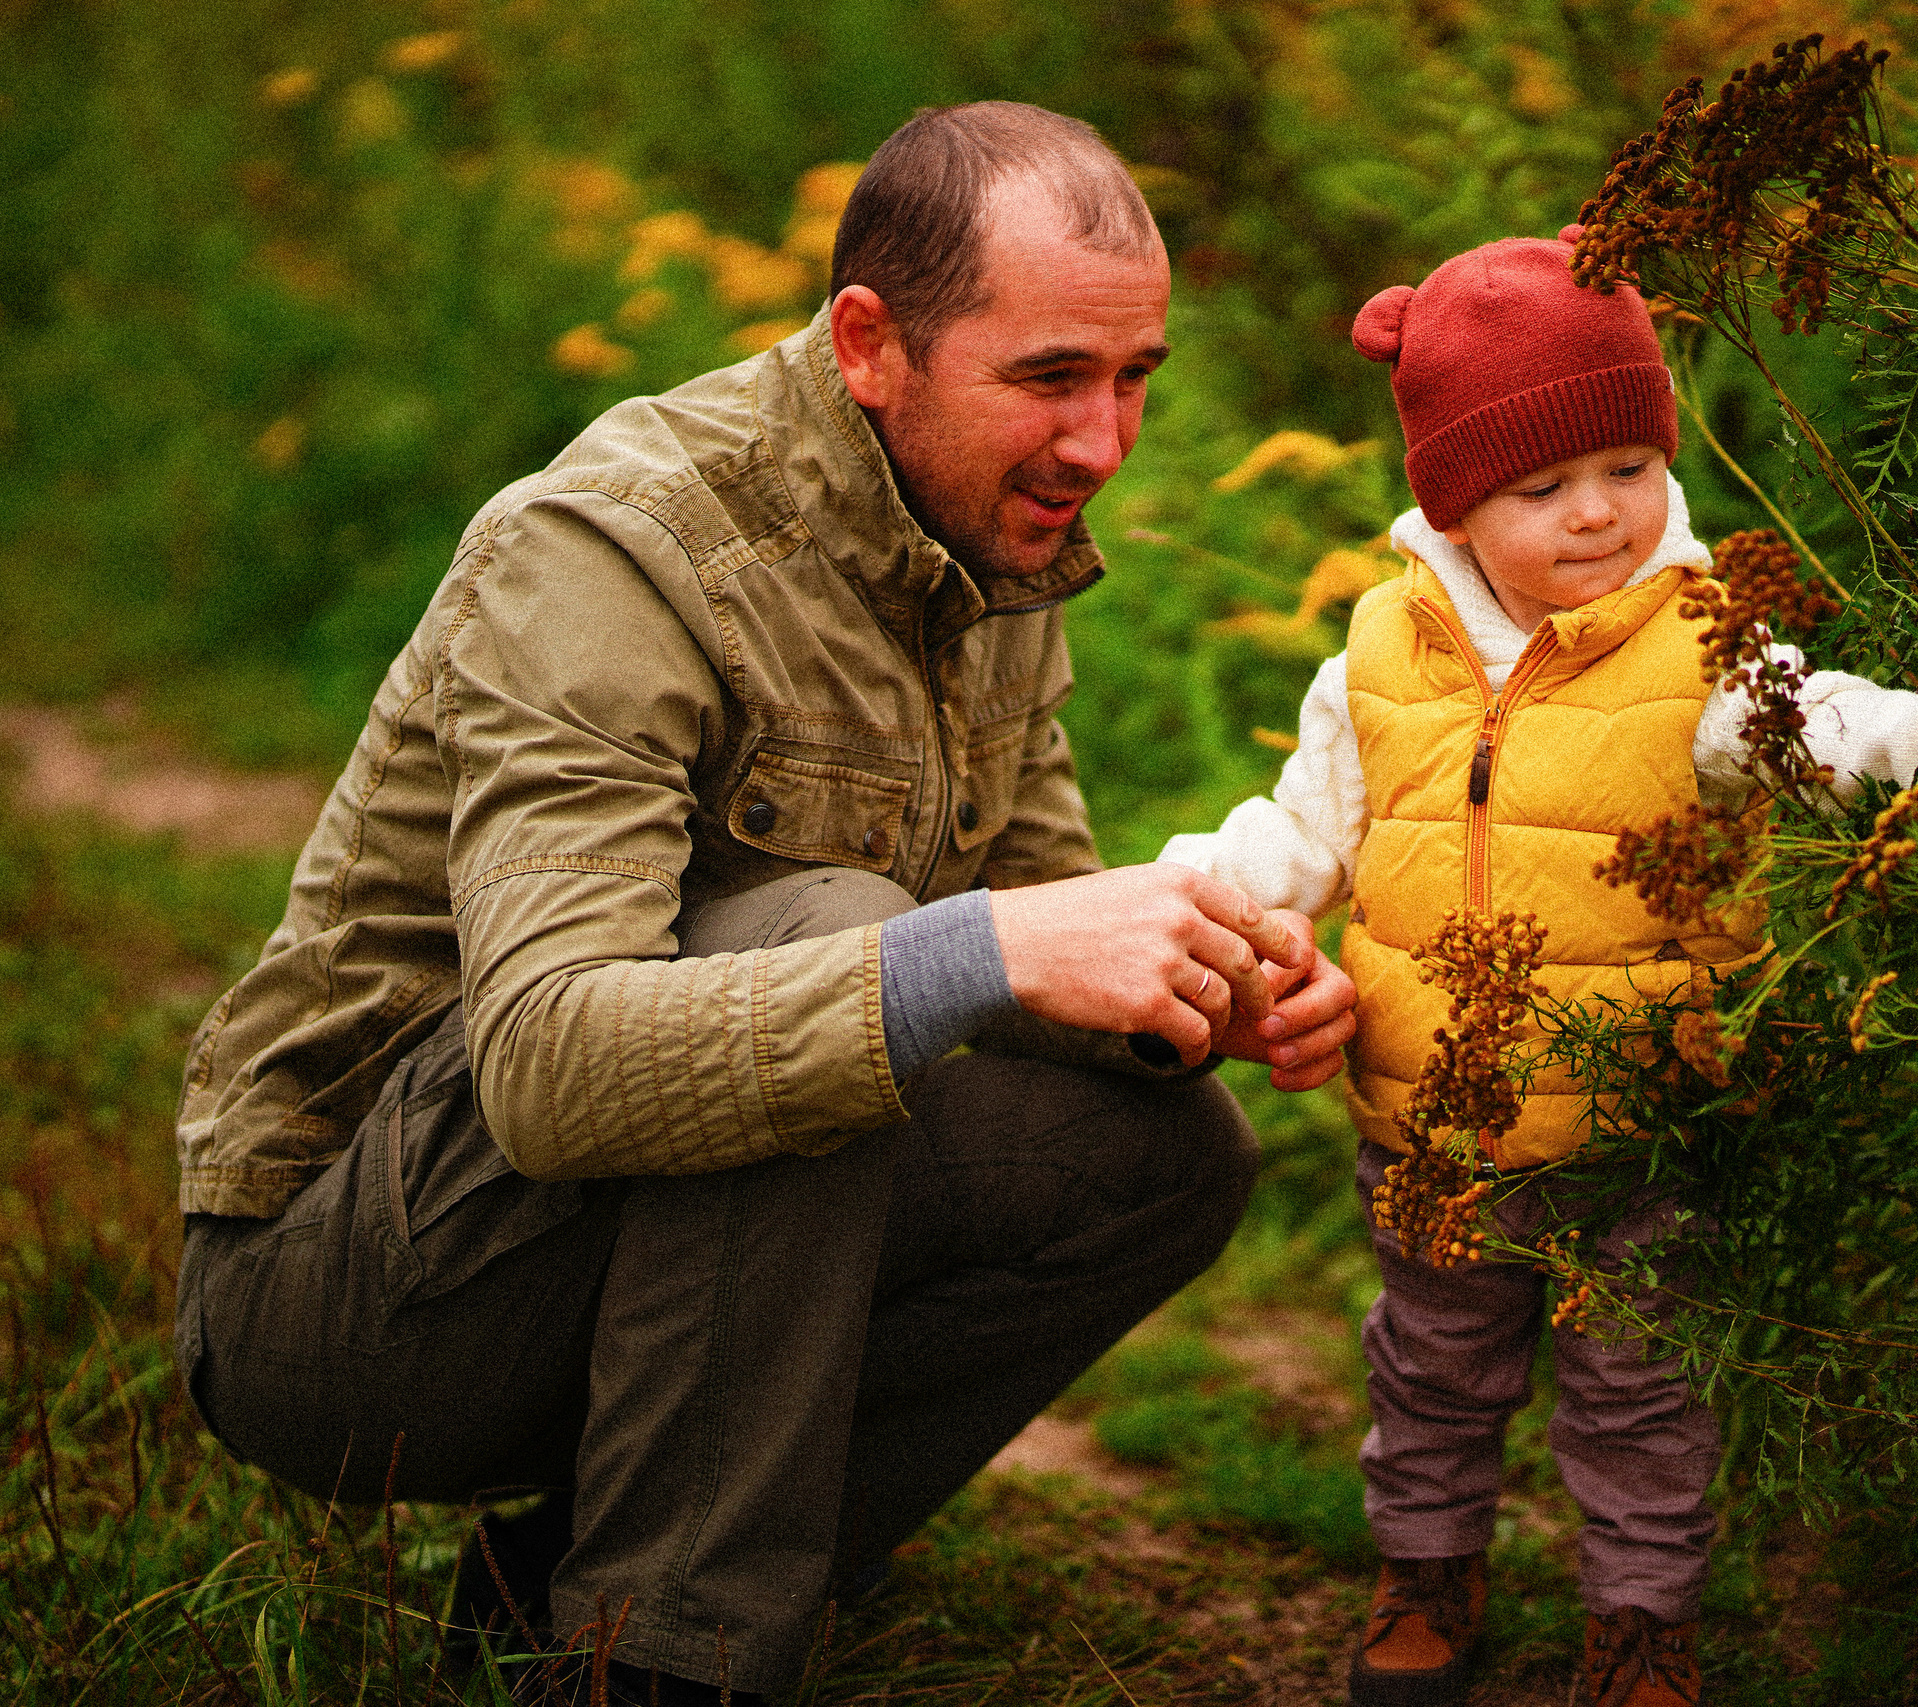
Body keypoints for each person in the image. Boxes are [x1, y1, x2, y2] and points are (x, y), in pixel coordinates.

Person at [171, 101, 1357, 1706]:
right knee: (846, 944)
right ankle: (653, 1663)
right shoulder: (608, 552)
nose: (1105, 443)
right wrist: (982, 948)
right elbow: (547, 1062)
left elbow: (1038, 936)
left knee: (1158, 1158)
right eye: (1051, 379)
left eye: (1135, 376)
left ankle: (559, 1579)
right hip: (357, 1305)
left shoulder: (986, 540)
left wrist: (1202, 983)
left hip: (608, 1260)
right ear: (870, 344)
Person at [1159, 232, 1918, 1707]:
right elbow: (1303, 835)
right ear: (1453, 501)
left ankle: (1642, 1622)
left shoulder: (1694, 647)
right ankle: (1427, 1573)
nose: (1597, 515)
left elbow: (1812, 720)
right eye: (1542, 488)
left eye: (1628, 466)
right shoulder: (1379, 653)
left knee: (1644, 1396)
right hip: (1429, 1125)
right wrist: (1194, 906)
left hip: (1644, 1125)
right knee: (1429, 1376)